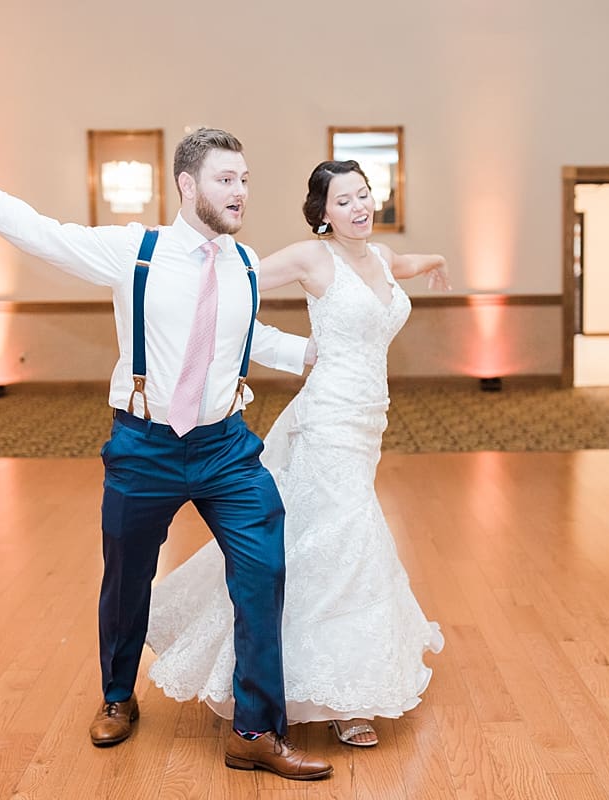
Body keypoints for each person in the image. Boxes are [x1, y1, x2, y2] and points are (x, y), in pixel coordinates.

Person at [0, 114, 332, 781]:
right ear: (187, 184)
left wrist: (314, 351)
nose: (240, 192)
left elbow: (244, 336)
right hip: (144, 446)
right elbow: (38, 231)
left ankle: (254, 730)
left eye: (245, 180)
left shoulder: (245, 263)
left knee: (263, 571)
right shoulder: (135, 252)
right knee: (127, 578)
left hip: (226, 448)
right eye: (226, 180)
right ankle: (117, 694)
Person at [146, 160, 446, 748]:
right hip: (328, 418)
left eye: (364, 195)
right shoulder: (313, 258)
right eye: (344, 200)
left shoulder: (381, 256)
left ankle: (298, 669)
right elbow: (240, 278)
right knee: (347, 538)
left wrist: (434, 261)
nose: (359, 207)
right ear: (323, 212)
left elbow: (404, 265)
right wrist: (191, 292)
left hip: (369, 420)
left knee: (315, 536)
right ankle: (343, 698)